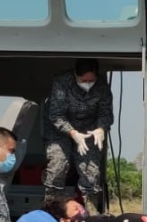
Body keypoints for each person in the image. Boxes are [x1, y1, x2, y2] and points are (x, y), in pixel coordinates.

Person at [44, 59, 114, 213]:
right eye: (84, 80)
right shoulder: (62, 83)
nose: (88, 83)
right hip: (59, 130)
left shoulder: (101, 86)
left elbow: (105, 112)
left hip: (88, 129)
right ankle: (51, 209)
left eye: (91, 80)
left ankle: (92, 213)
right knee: (58, 165)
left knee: (91, 172)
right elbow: (56, 115)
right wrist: (72, 133)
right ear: (76, 75)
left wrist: (101, 128)